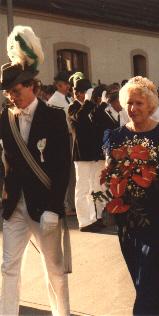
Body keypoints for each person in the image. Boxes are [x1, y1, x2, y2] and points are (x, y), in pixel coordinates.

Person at [0, 25, 71, 316]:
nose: (13, 98)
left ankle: (61, 314)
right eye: (8, 93)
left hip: (44, 208)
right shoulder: (5, 118)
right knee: (8, 267)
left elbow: (62, 166)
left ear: (34, 87)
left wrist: (55, 207)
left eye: (17, 91)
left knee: (54, 270)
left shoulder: (54, 117)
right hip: (15, 204)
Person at [103, 76, 159, 315]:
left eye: (138, 103)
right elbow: (109, 172)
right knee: (141, 279)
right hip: (129, 220)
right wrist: (110, 175)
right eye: (129, 103)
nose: (133, 109)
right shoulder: (114, 136)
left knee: (157, 280)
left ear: (150, 105)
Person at [68, 76, 105, 232]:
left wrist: (102, 104)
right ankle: (84, 221)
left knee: (97, 186)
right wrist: (89, 102)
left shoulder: (92, 107)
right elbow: (80, 119)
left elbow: (101, 123)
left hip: (96, 153)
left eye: (84, 92)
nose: (80, 95)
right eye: (77, 92)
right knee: (82, 188)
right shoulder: (73, 108)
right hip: (82, 154)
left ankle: (97, 216)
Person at [47, 71, 76, 216]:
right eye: (65, 84)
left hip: (72, 136)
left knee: (72, 172)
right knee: (64, 171)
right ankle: (64, 204)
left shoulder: (67, 99)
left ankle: (71, 203)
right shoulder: (54, 100)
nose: (68, 86)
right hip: (62, 138)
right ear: (59, 85)